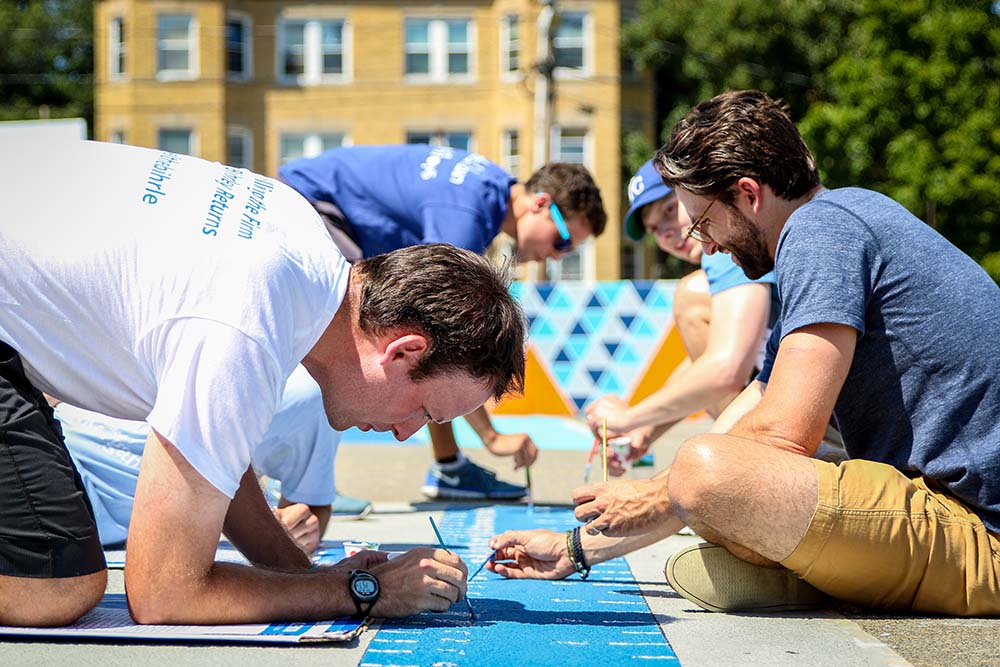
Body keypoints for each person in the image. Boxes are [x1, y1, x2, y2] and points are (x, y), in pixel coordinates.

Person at [487, 89, 1000, 618]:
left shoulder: (819, 231)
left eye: (701, 221)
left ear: (749, 194)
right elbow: (749, 414)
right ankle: (822, 572)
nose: (704, 244)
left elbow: (780, 436)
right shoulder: (845, 215)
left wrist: (662, 493)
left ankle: (818, 577)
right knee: (713, 475)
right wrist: (577, 549)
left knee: (707, 473)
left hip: (982, 535)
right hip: (947, 509)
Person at [0, 140, 526, 627]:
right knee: (51, 587)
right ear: (404, 350)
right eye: (426, 411)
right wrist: (362, 591)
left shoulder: (297, 241)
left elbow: (212, 462)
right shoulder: (245, 326)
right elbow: (163, 594)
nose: (407, 433)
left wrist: (306, 575)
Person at [279, 144, 607, 500]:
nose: (557, 256)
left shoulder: (487, 188)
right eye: (562, 242)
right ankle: (299, 485)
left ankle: (448, 466)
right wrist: (491, 437)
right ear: (540, 204)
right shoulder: (465, 215)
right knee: (348, 339)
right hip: (313, 202)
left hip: (316, 196)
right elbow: (443, 344)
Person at [584, 159, 778, 472]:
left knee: (692, 294)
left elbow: (724, 370)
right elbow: (702, 362)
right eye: (655, 229)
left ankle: (747, 465)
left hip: (824, 422)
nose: (669, 233)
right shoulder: (731, 248)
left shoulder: (725, 250)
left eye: (670, 211)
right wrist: (645, 431)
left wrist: (629, 418)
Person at [54, 364, 365, 556]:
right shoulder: (302, 391)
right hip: (65, 458)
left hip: (106, 533)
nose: (406, 431)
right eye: (417, 405)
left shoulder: (313, 402)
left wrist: (297, 528)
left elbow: (311, 507)